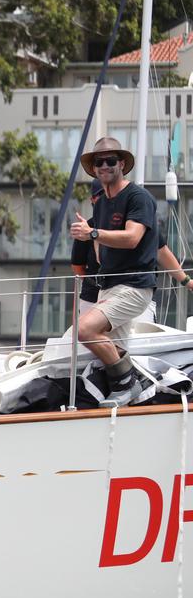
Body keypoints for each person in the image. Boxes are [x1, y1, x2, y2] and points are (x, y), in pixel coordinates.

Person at [68, 136, 160, 404]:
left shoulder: (138, 197)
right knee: (110, 348)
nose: (105, 165)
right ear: (94, 168)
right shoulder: (103, 202)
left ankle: (128, 383)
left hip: (134, 286)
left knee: (84, 331)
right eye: (100, 162)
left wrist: (92, 232)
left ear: (122, 164)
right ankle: (135, 391)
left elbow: (132, 238)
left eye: (111, 160)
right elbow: (99, 249)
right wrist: (91, 237)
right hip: (109, 287)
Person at [72, 178, 193, 323]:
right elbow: (78, 267)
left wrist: (186, 281)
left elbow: (161, 251)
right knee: (86, 336)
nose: (107, 198)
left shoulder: (140, 222)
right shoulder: (87, 228)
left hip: (133, 290)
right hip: (95, 294)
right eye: (101, 195)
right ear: (93, 200)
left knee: (135, 339)